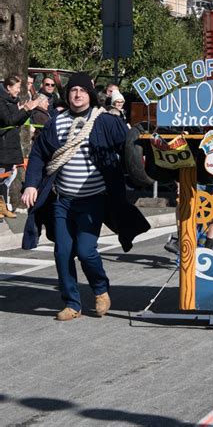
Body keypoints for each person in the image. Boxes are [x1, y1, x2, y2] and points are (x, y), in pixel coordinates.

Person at [21, 72, 150, 321]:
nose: (77, 95)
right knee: (62, 252)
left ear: (90, 94)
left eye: (82, 90)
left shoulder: (105, 121)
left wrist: (144, 168)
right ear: (67, 95)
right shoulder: (55, 122)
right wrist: (31, 185)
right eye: (72, 90)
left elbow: (129, 147)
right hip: (63, 200)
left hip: (94, 199)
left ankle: (100, 289)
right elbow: (39, 154)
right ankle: (72, 303)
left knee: (86, 250)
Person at [0, 75, 44, 219]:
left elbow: (17, 122)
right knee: (2, 176)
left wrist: (27, 110)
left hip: (11, 144)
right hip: (4, 145)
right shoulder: (1, 101)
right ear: (8, 87)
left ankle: (2, 207)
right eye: (17, 87)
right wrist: (26, 109)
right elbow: (9, 120)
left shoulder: (12, 101)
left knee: (6, 176)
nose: (19, 91)